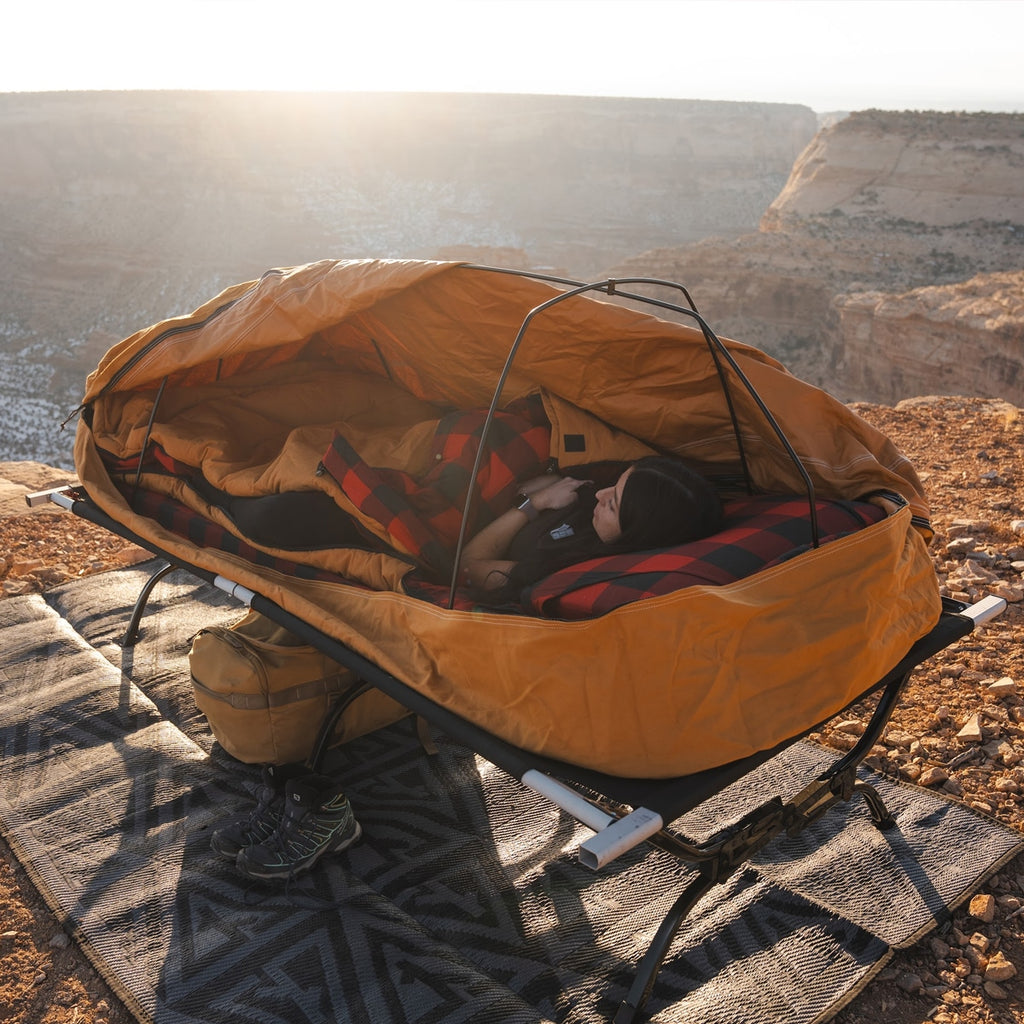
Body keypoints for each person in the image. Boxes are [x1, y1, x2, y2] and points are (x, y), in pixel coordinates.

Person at [213, 455, 724, 880]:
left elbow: (469, 566)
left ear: (634, 533)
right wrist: (539, 489)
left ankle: (322, 805)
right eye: (614, 483)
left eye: (613, 502)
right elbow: (540, 480)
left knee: (278, 514)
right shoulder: (598, 508)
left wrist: (532, 506)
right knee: (289, 487)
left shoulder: (565, 571)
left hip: (451, 539)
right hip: (461, 484)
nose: (601, 493)